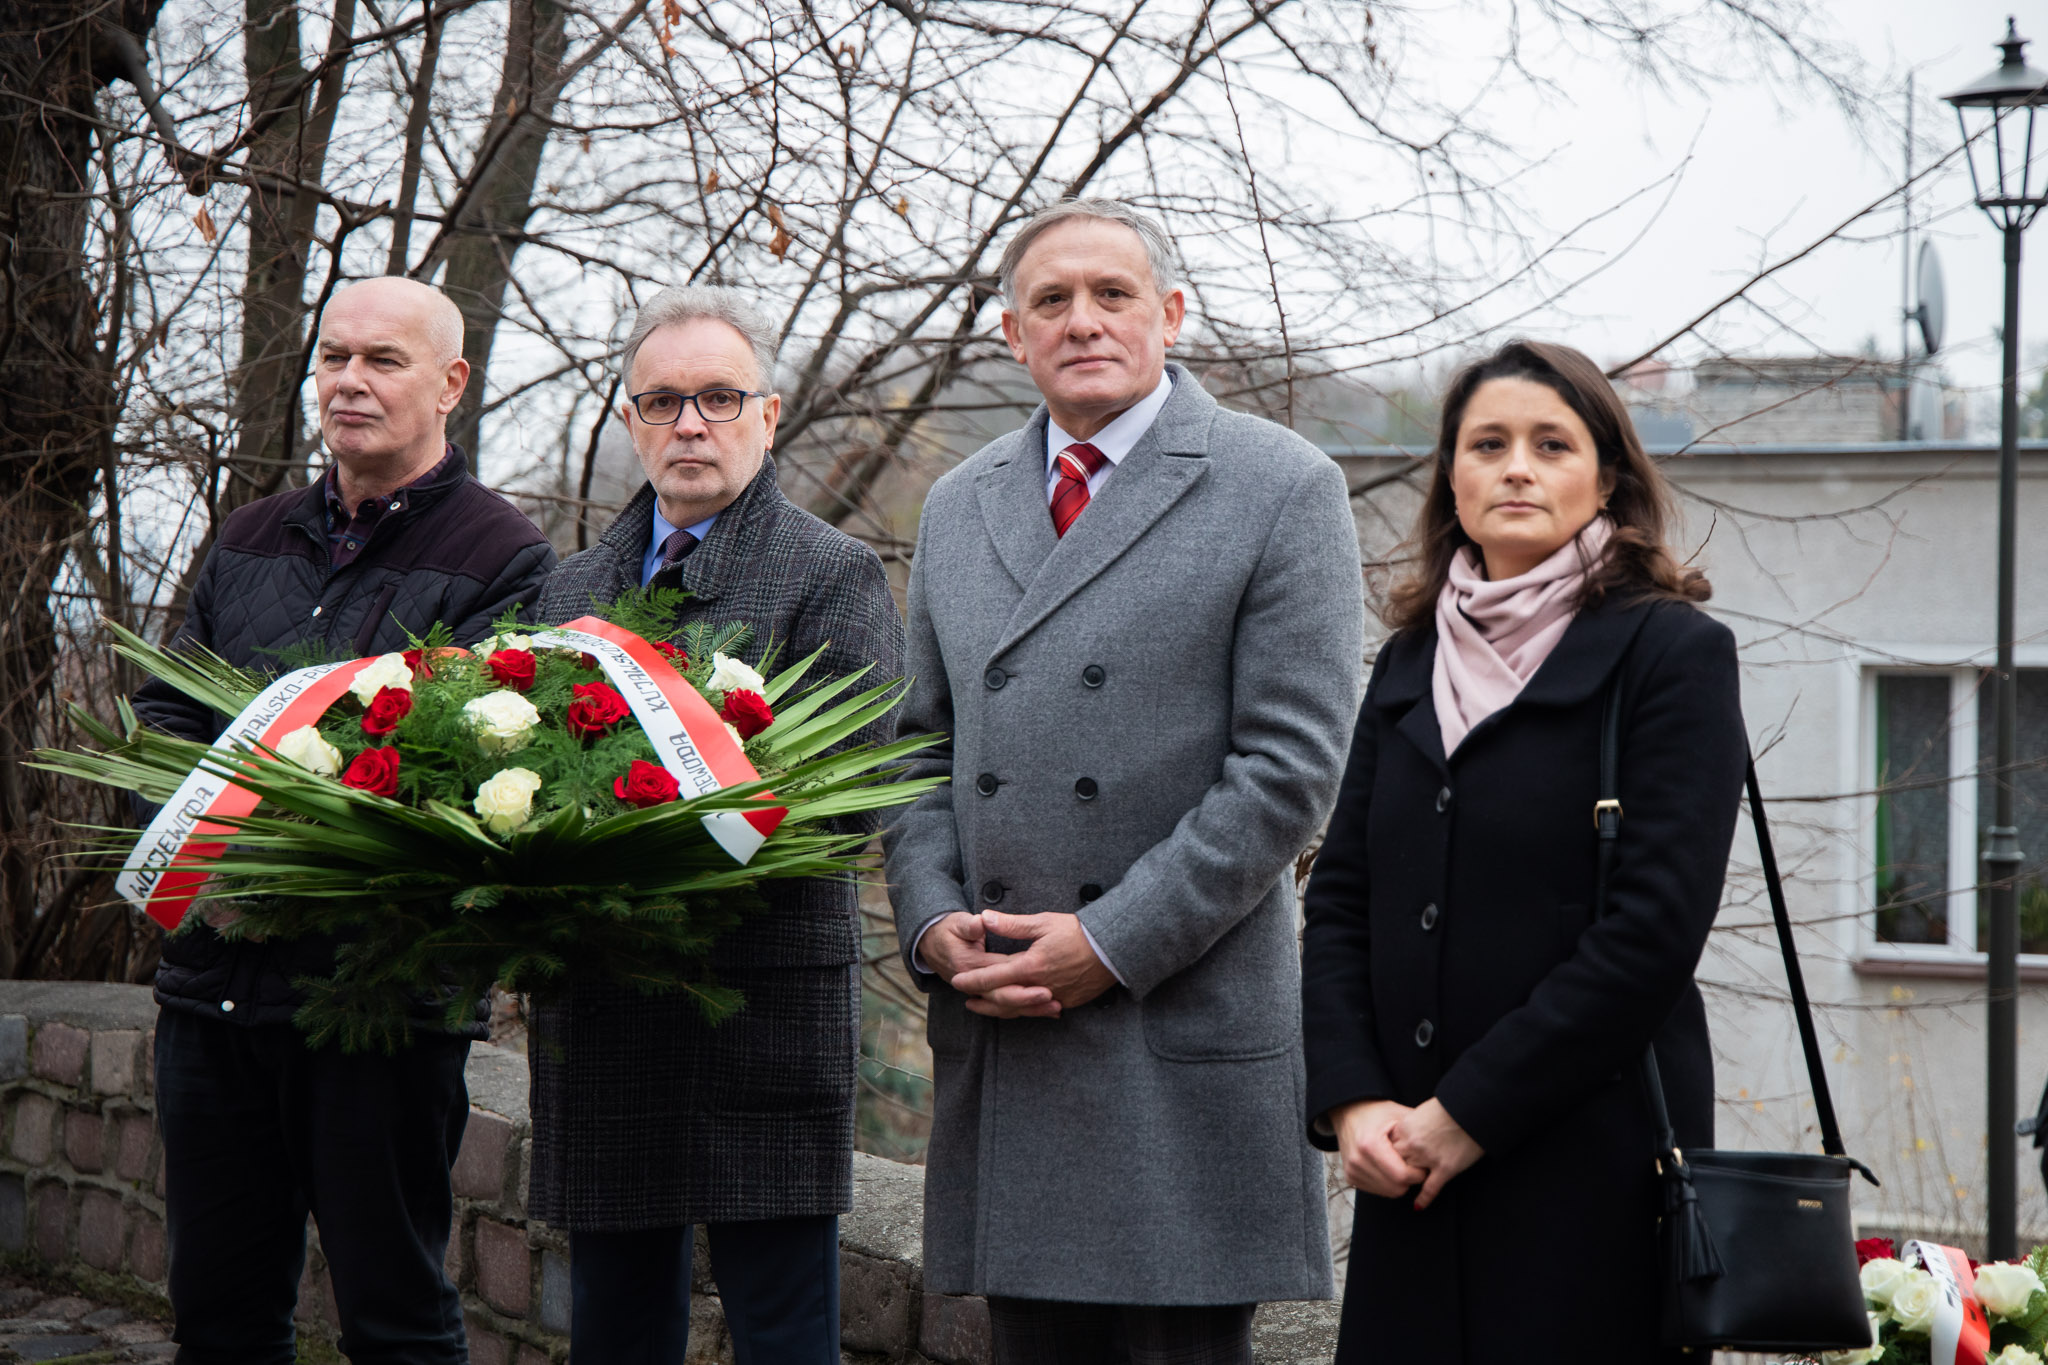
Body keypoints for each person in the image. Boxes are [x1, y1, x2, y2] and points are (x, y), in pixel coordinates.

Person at [884, 198, 1364, 1364]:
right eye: (1050, 300)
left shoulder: (1280, 483)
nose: (1083, 321)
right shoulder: (959, 503)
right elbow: (914, 751)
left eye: (1112, 294)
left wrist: (1109, 943)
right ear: (1012, 335)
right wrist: (933, 922)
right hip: (1007, 1022)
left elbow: (1289, 768)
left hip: (1173, 1029)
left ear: (1171, 314)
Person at [1299, 339, 1748, 1363]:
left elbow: (1651, 932)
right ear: (1450, 477)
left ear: (1607, 477)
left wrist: (1466, 1114)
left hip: (1590, 1178)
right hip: (1408, 1177)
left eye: (1551, 444)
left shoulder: (1671, 653)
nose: (1516, 468)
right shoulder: (1410, 660)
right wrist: (1353, 1098)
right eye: (1487, 444)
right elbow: (1343, 897)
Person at [136, 275, 558, 1364]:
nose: (349, 381)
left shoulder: (503, 557)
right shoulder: (250, 535)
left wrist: (281, 877)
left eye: (383, 360)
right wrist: (199, 862)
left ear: (451, 383)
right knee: (218, 1318)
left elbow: (476, 778)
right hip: (212, 993)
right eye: (334, 357)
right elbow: (163, 717)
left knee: (395, 1320)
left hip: (379, 1011)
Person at [526, 285, 903, 1364]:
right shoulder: (570, 590)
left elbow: (852, 799)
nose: (690, 424)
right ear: (631, 419)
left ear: (768, 416)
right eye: (662, 401)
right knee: (613, 1332)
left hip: (762, 1002)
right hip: (604, 1007)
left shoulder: (832, 574)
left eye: (719, 398)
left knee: (783, 1332)